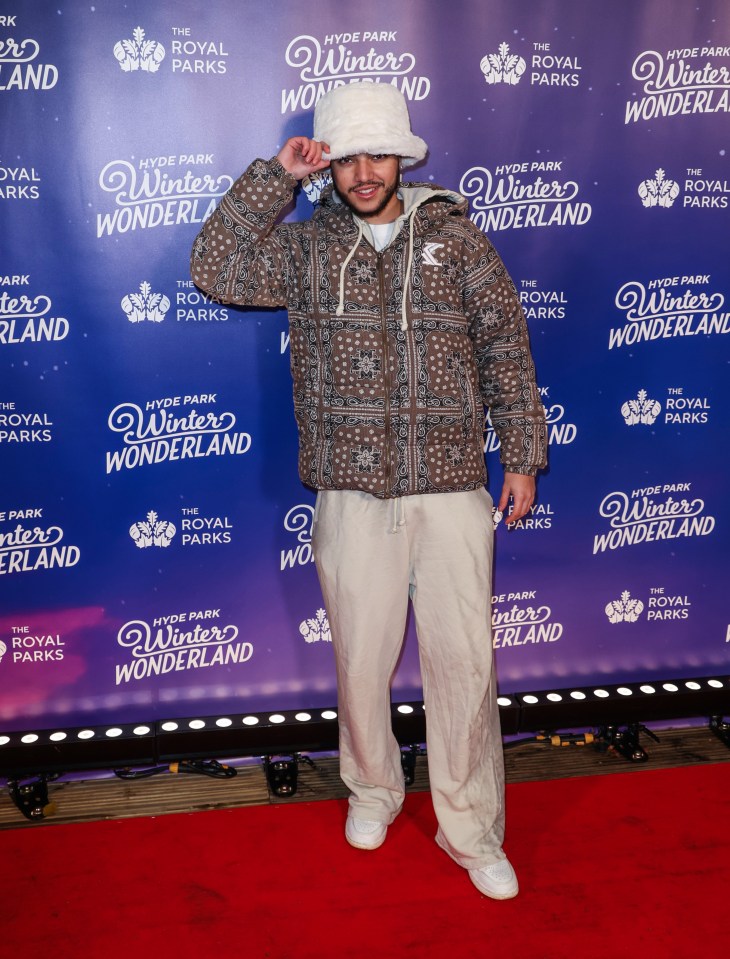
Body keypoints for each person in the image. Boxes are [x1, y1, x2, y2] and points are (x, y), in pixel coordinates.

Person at [190, 82, 547, 900]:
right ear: (331, 166)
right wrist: (274, 177)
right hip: (350, 493)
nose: (363, 172)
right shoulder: (308, 251)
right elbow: (214, 266)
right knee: (360, 661)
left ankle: (471, 825)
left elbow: (506, 349)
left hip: (453, 488)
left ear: (404, 158)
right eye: (347, 157)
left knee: (465, 664)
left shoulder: (460, 244)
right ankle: (374, 790)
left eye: (377, 154)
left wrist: (522, 454)